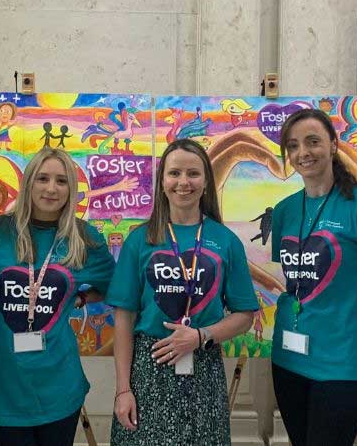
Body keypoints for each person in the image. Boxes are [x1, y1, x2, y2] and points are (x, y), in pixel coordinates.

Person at [107, 138, 259, 445]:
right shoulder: (140, 240)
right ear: (162, 181)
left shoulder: (225, 241)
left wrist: (200, 335)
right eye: (174, 173)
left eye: (193, 174)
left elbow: (244, 315)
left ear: (205, 182)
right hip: (148, 369)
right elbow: (123, 319)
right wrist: (123, 389)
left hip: (204, 366)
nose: (183, 182)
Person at [0, 147, 115, 446]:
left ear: (71, 189)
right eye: (42, 178)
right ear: (28, 182)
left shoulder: (84, 239)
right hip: (3, 388)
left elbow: (118, 288)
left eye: (61, 181)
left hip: (60, 387)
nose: (51, 188)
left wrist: (82, 299)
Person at [270, 109, 357, 446]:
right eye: (293, 145)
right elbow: (292, 284)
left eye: (313, 142)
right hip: (288, 359)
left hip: (343, 364)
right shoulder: (283, 211)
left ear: (333, 145)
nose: (303, 153)